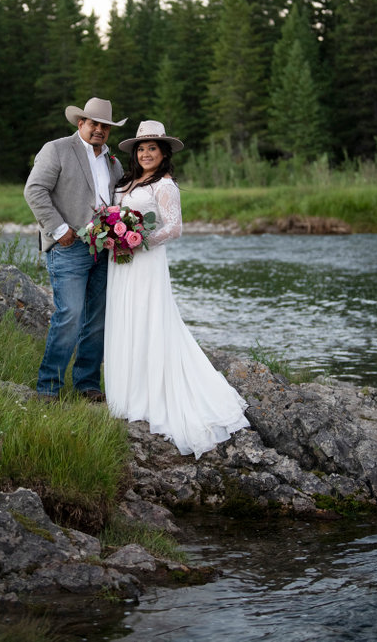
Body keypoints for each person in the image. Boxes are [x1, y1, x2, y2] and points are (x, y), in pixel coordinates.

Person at [104, 120, 249, 458]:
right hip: (120, 263)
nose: (145, 153)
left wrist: (137, 241)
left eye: (152, 148)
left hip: (145, 260)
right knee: (124, 319)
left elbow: (174, 227)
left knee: (147, 318)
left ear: (163, 153)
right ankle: (126, 393)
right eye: (141, 148)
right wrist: (113, 234)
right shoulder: (127, 181)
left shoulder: (165, 185)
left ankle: (152, 394)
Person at [24, 97, 127, 402]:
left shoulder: (113, 162)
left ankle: (87, 384)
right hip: (69, 247)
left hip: (104, 249)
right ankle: (48, 388)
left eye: (105, 126)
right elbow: (34, 190)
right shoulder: (56, 149)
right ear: (80, 123)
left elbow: (116, 204)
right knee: (69, 315)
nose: (99, 130)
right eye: (94, 124)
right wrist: (60, 230)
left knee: (96, 319)